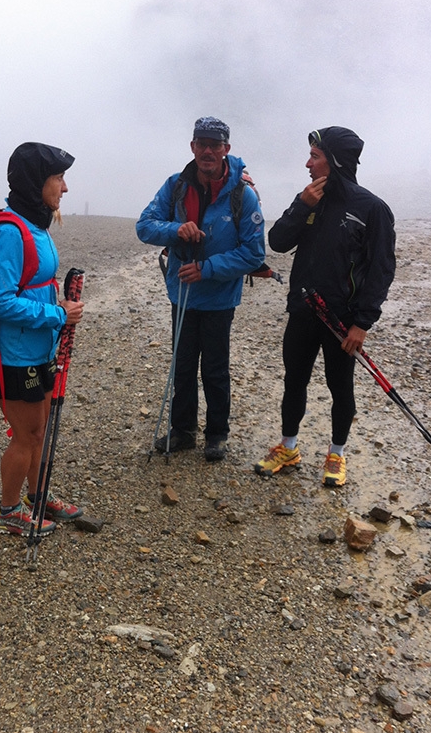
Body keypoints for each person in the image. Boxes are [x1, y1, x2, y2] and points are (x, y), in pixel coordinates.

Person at [255, 126, 396, 486]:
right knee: (294, 381)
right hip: (303, 310)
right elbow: (278, 242)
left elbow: (381, 270)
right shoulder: (308, 200)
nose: (308, 163)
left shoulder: (372, 208)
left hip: (342, 321)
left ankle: (337, 454)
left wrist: (362, 323)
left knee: (340, 387)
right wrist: (302, 207)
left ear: (334, 162)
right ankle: (289, 447)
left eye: (315, 157)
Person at [136, 116, 265, 461]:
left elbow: (254, 254)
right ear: (192, 146)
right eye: (202, 144)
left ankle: (217, 434)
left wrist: (206, 269)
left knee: (215, 368)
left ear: (226, 149)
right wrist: (176, 230)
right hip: (182, 294)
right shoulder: (175, 186)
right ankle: (183, 432)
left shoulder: (243, 195)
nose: (208, 151)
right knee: (182, 365)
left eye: (215, 145)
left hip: (219, 298)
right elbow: (145, 227)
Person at [0, 142, 85, 535]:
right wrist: (58, 314)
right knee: (27, 435)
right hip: (12, 354)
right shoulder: (8, 231)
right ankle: (7, 511)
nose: (64, 188)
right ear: (36, 182)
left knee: (39, 430)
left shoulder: (33, 225)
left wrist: (58, 312)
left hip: (37, 347)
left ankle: (38, 497)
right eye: (58, 178)